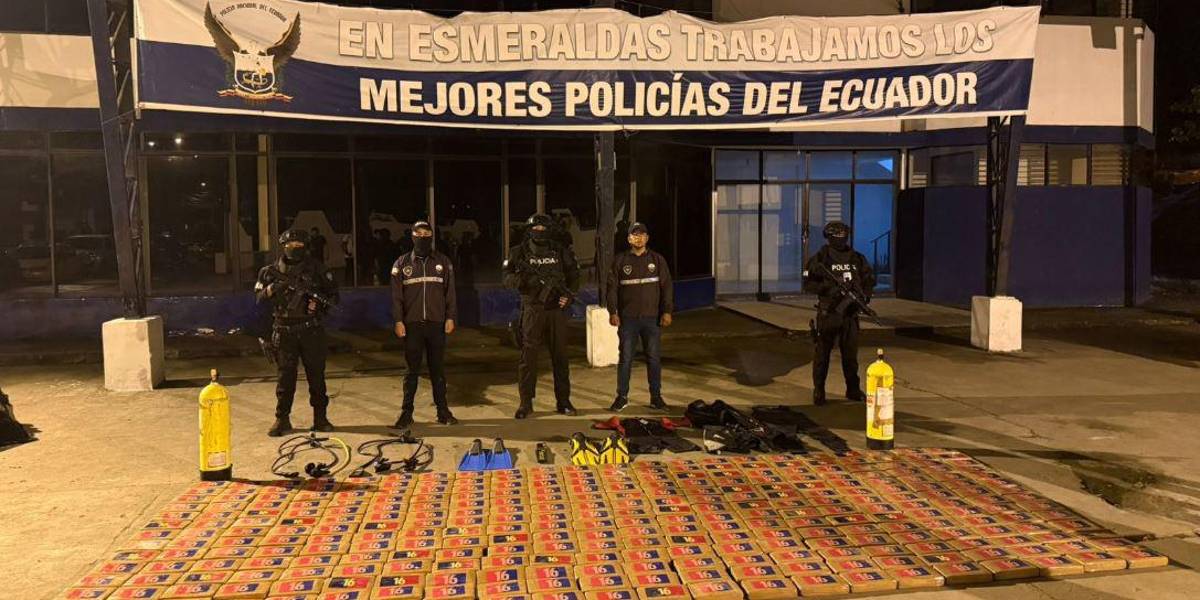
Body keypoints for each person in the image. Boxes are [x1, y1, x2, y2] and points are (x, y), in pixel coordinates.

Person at [255, 229, 340, 436]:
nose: (294, 248)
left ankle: (320, 418)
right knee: (285, 378)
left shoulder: (318, 269)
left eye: (299, 245)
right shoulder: (269, 271)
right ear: (283, 246)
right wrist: (273, 288)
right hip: (284, 331)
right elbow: (259, 299)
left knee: (316, 376)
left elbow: (333, 296)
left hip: (311, 330)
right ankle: (282, 419)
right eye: (290, 245)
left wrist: (317, 305)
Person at [503, 213, 581, 419]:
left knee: (560, 357)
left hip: (556, 310)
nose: (539, 232)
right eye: (535, 228)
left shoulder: (560, 250)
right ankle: (525, 403)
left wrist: (569, 296)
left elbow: (574, 275)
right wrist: (524, 281)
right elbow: (506, 278)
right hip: (532, 309)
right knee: (528, 358)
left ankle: (563, 401)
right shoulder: (518, 252)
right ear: (529, 230)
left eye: (543, 229)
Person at [389, 221, 459, 428]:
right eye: (418, 233)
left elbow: (450, 292)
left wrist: (450, 317)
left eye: (426, 233)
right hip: (412, 326)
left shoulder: (443, 262)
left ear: (432, 236)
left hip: (437, 324)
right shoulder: (401, 263)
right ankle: (406, 413)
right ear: (412, 236)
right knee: (411, 372)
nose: (422, 237)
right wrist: (398, 320)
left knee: (438, 370)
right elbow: (396, 297)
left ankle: (443, 412)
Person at [803, 221, 876, 406]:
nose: (841, 240)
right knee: (822, 355)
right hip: (829, 312)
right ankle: (819, 390)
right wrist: (828, 289)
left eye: (844, 236)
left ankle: (853, 389)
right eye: (837, 236)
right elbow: (808, 284)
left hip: (850, 314)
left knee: (850, 356)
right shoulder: (820, 259)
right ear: (829, 237)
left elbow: (868, 279)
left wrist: (865, 296)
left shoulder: (857, 258)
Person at [606, 222, 673, 413]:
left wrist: (667, 311)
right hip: (628, 320)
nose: (639, 238)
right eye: (635, 235)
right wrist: (613, 312)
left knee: (654, 359)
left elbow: (667, 287)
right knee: (626, 359)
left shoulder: (657, 260)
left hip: (652, 319)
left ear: (647, 238)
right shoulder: (620, 261)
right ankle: (622, 397)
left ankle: (656, 397)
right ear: (629, 239)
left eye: (642, 235)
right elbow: (612, 289)